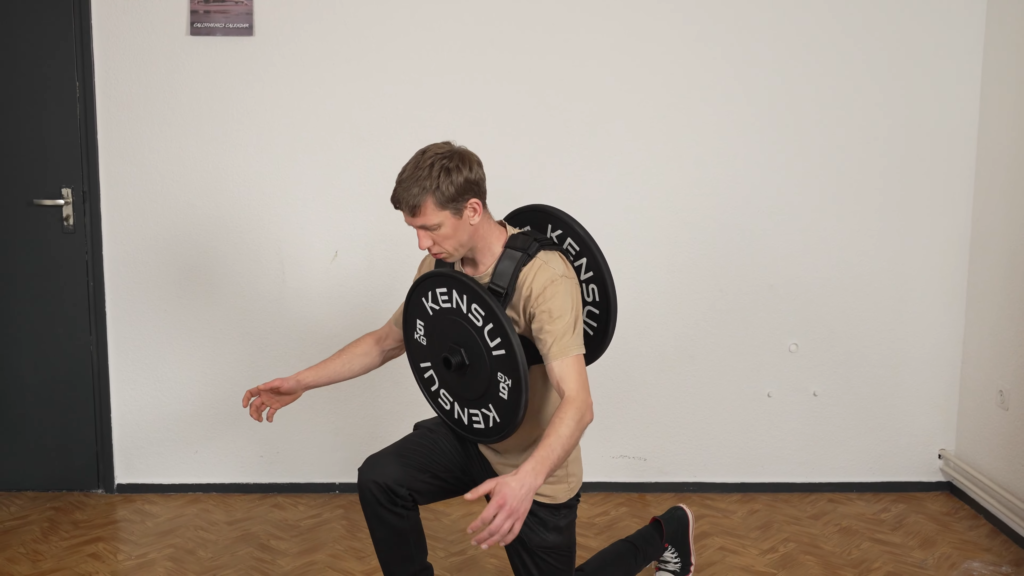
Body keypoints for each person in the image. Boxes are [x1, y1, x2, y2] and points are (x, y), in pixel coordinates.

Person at [242, 142, 696, 575]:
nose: (421, 243)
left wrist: (524, 483)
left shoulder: (546, 279)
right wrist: (302, 380)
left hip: (534, 462)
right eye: (414, 229)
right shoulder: (440, 267)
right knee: (380, 479)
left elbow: (579, 404)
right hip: (474, 434)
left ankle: (664, 534)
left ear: (473, 210)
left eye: (431, 228)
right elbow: (386, 341)